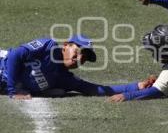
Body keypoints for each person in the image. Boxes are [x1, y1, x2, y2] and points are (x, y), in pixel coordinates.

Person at [0, 34, 156, 99]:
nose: (80, 58)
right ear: (66, 45)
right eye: (79, 51)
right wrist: (14, 91)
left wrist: (138, 86)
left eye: (85, 58)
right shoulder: (48, 46)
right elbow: (16, 55)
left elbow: (96, 89)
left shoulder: (65, 79)